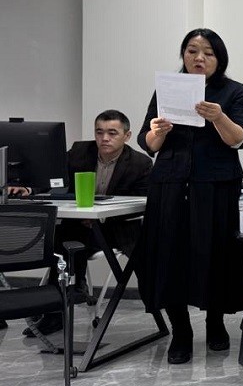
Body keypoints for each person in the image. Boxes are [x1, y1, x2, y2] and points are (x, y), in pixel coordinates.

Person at [137, 29, 243, 365]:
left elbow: (241, 138)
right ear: (183, 55)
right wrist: (158, 132)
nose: (199, 58)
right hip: (170, 183)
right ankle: (181, 331)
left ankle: (216, 323)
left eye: (208, 53)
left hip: (216, 185)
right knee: (170, 256)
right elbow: (148, 143)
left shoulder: (233, 91)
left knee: (216, 254)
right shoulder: (167, 88)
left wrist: (219, 117)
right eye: (191, 51)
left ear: (219, 58)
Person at [26, 110, 153, 336]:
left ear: (127, 136)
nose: (104, 138)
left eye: (112, 133)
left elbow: (142, 202)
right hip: (78, 228)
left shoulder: (140, 163)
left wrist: (101, 215)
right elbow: (53, 178)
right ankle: (57, 309)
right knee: (60, 242)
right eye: (99, 132)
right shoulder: (79, 152)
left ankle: (74, 290)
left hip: (117, 229)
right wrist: (30, 189)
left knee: (68, 242)